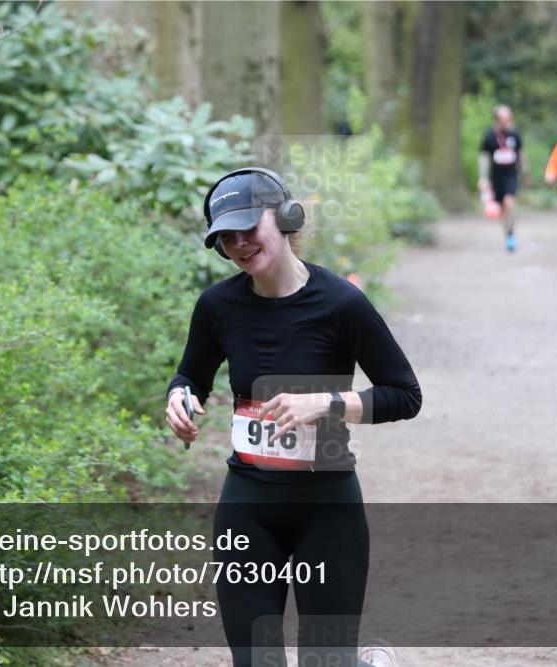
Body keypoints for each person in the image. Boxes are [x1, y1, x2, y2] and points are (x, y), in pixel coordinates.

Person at [165, 167, 422, 667]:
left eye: (248, 227)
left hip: (328, 510)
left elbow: (405, 395)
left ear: (285, 218)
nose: (239, 244)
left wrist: (326, 403)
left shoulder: (341, 304)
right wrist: (179, 398)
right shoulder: (217, 306)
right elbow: (190, 376)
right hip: (248, 509)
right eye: (226, 237)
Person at [479, 105, 531, 252]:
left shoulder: (514, 135)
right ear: (497, 120)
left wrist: (526, 173)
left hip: (511, 175)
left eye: (509, 118)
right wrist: (483, 178)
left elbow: (521, 154)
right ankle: (508, 237)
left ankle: (511, 233)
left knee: (509, 202)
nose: (507, 121)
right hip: (496, 177)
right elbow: (483, 157)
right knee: (501, 210)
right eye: (504, 119)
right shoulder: (490, 136)